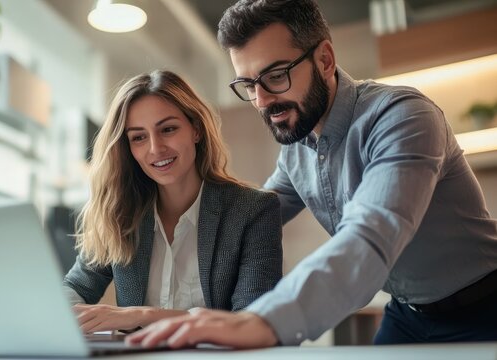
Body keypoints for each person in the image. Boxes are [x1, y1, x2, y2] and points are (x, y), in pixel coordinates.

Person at [127, 0, 497, 348]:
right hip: (407, 313)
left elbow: (370, 235)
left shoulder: (403, 118)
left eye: (275, 75)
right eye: (249, 85)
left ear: (324, 59)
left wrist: (263, 321)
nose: (262, 100)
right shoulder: (296, 152)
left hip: (484, 305)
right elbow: (247, 218)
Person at [63, 70, 283, 333]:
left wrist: (141, 316)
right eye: (139, 137)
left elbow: (251, 321)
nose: (155, 148)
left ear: (196, 130)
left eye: (168, 129)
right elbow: (75, 288)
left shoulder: (253, 211)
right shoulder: (120, 213)